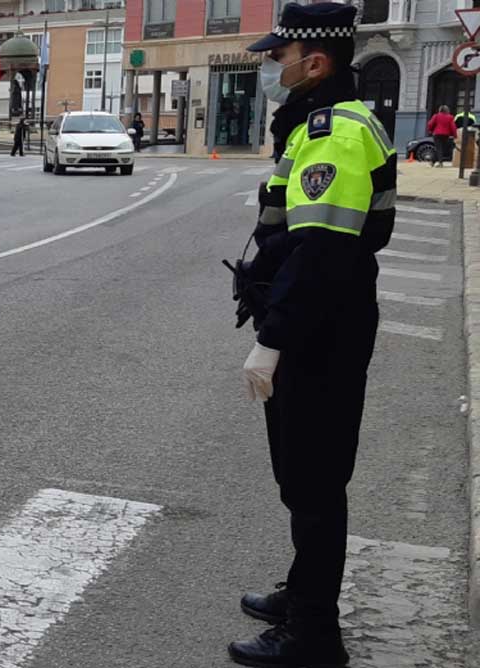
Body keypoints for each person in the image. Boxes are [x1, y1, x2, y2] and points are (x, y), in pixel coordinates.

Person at [230, 3, 397, 667]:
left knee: (316, 484)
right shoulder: (312, 126)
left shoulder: (335, 132)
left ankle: (313, 635)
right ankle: (303, 592)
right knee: (303, 479)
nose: (275, 64)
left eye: (282, 54)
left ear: (316, 62)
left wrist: (274, 337)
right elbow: (287, 231)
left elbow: (322, 255)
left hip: (323, 331)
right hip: (322, 323)